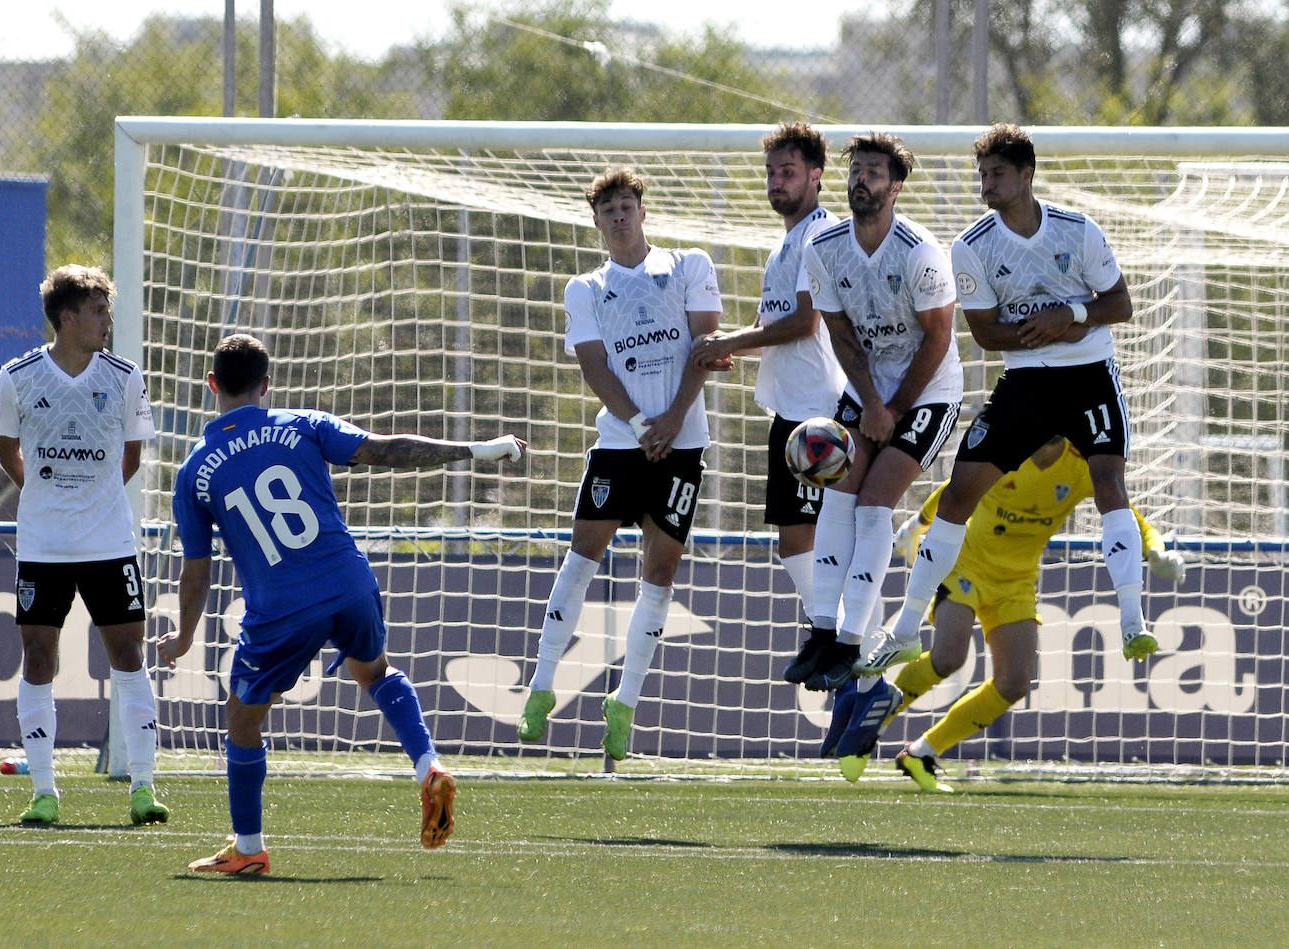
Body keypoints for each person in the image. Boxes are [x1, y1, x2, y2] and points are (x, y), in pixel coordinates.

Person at [158, 333, 525, 873]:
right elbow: (386, 450)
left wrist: (186, 637)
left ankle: (249, 847)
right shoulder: (302, 424)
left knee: (241, 719)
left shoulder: (194, 471)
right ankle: (427, 766)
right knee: (374, 671)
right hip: (349, 581)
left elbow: (196, 571)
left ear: (211, 385)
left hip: (281, 606)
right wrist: (472, 450)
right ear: (266, 386)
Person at [870, 122, 1154, 676]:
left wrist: (1070, 316)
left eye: (997, 174)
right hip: (1025, 384)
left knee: (1109, 483)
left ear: (1027, 175)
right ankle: (904, 630)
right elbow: (983, 332)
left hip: (1089, 375)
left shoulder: (1078, 232)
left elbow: (1119, 304)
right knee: (957, 497)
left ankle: (1132, 621)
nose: (987, 184)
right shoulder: (973, 246)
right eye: (983, 174)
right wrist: (1038, 331)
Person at [515, 166, 723, 761]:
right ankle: (540, 688)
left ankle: (624, 704)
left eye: (626, 204)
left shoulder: (688, 267)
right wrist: (638, 425)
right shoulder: (585, 288)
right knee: (580, 560)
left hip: (681, 446)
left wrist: (673, 420)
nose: (619, 215)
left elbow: (707, 348)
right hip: (619, 445)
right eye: (607, 209)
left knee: (658, 577)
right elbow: (594, 367)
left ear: (642, 210)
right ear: (597, 221)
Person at [875, 436, 1186, 791]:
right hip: (966, 565)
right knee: (949, 656)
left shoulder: (1081, 465)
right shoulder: (1010, 445)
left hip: (1016, 582)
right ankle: (874, 716)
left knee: (1014, 682)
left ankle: (921, 753)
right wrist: (918, 523)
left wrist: (1156, 549)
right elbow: (955, 488)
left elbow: (1129, 518)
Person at [797, 133, 963, 778]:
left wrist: (893, 411)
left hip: (928, 392)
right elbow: (839, 332)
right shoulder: (825, 247)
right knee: (836, 496)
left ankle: (847, 643)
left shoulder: (920, 252)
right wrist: (868, 403)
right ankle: (823, 632)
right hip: (865, 390)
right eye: (856, 170)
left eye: (873, 172)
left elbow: (939, 338)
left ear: (896, 186)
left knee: (873, 503)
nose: (860, 180)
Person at [0, 264, 169, 826]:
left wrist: (93, 500)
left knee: (128, 658)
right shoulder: (17, 377)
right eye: (98, 311)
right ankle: (44, 792)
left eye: (107, 311)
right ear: (68, 318)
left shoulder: (123, 377)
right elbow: (5, 449)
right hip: (43, 545)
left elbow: (132, 457)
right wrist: (45, 494)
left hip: (109, 543)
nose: (107, 322)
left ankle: (143, 787)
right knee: (39, 659)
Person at [687, 122, 848, 681]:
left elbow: (806, 322)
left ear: (817, 176)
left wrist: (731, 340)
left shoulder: (820, 235)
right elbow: (775, 326)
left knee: (809, 537)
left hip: (820, 414)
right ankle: (832, 639)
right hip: (791, 408)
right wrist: (739, 348)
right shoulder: (786, 242)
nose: (778, 182)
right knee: (795, 538)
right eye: (772, 173)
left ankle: (839, 642)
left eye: (789, 172)